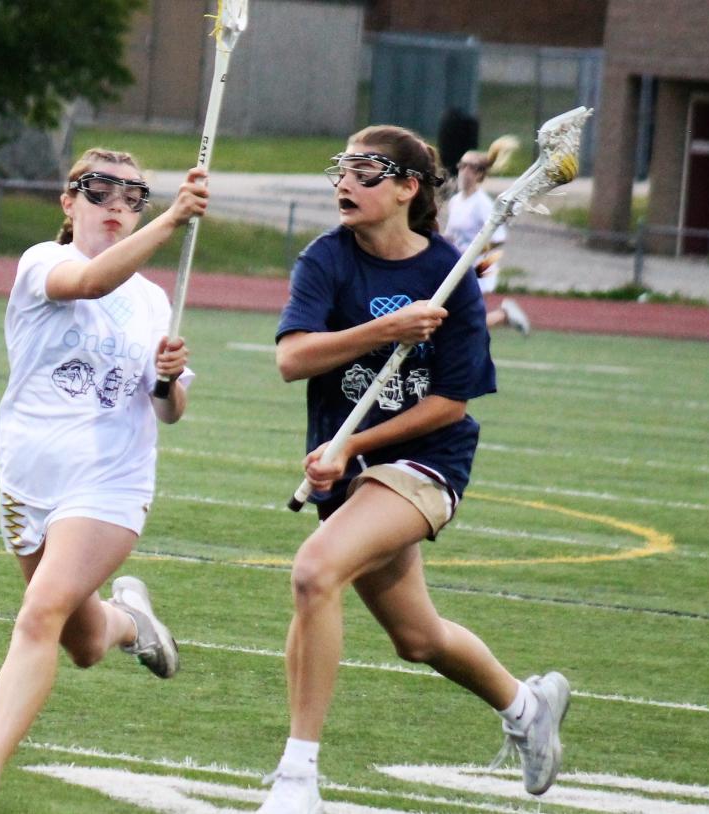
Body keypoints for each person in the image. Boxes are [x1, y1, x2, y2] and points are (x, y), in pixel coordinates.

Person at [259, 126, 569, 814]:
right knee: (417, 637)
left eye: (366, 172)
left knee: (315, 573)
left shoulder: (450, 275)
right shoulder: (325, 260)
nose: (345, 183)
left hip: (423, 462)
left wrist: (358, 445)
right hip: (350, 467)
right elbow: (293, 359)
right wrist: (385, 333)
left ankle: (297, 779)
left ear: (406, 188)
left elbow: (450, 403)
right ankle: (526, 706)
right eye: (341, 169)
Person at [0, 148, 209, 814]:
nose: (117, 204)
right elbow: (89, 284)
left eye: (133, 195)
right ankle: (129, 621)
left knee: (39, 614)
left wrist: (171, 380)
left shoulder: (154, 302)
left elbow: (169, 411)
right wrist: (173, 218)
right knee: (85, 641)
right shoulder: (44, 263)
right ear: (69, 202)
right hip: (29, 483)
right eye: (100, 191)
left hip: (110, 484)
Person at [444, 135, 531, 336]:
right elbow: (451, 235)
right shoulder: (456, 201)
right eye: (462, 165)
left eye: (471, 167)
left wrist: (473, 257)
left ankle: (504, 315)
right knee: (460, 320)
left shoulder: (483, 204)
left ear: (480, 174)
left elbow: (499, 238)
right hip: (459, 266)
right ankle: (504, 315)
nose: (464, 171)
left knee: (466, 323)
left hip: (482, 266)